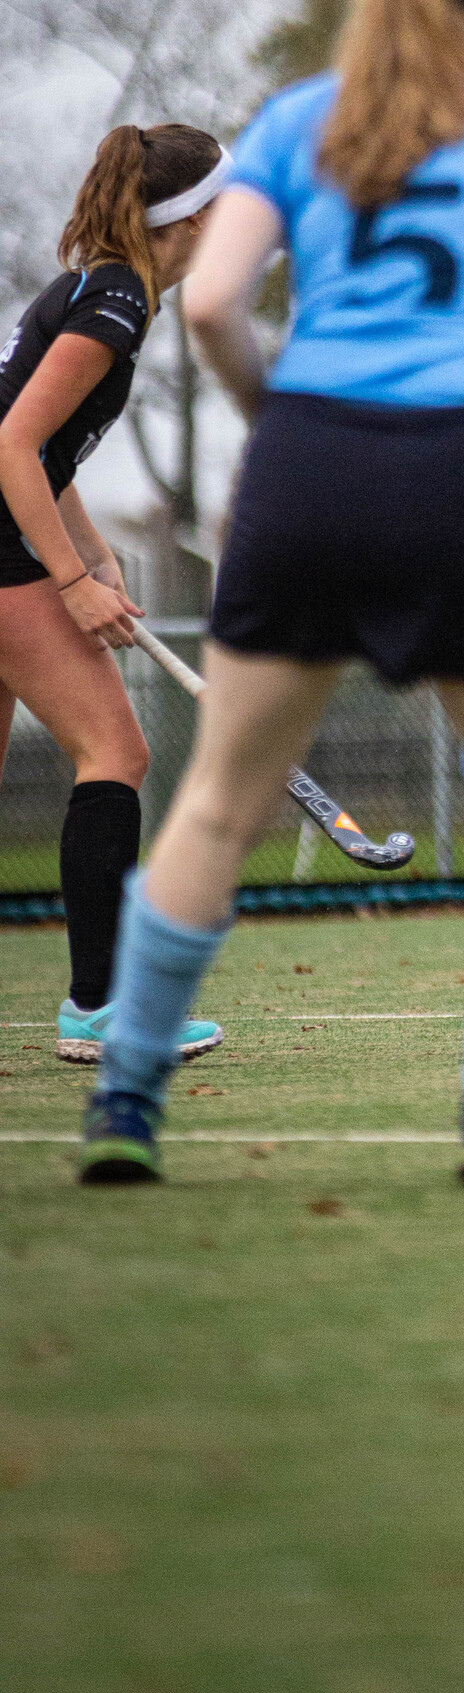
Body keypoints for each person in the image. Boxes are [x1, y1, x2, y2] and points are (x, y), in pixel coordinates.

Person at [76, 0, 464, 1186]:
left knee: (213, 801)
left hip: (310, 461)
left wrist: (286, 430)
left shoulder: (295, 121)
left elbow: (212, 302)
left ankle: (125, 1105)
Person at [0, 123, 229, 1067]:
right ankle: (101, 1009)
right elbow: (11, 448)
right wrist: (68, 582)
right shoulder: (118, 302)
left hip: (18, 536)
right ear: (192, 220)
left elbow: (43, 451)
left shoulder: (109, 290)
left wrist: (97, 558)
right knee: (116, 750)